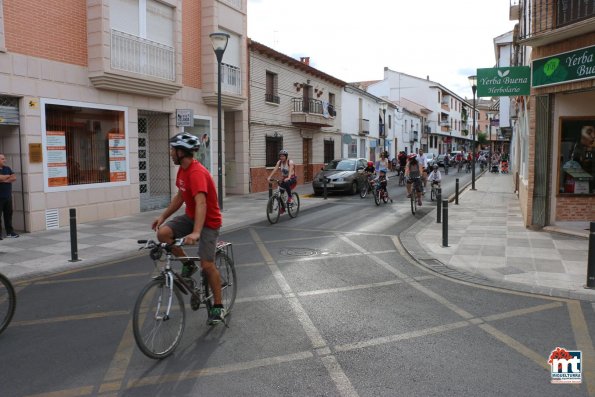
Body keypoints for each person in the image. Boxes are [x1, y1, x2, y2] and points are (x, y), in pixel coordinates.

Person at [151, 133, 225, 325]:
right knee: (163, 234)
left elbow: (202, 204)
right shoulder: (182, 171)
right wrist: (162, 217)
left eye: (172, 149)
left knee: (207, 265)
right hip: (192, 217)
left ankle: (218, 305)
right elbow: (180, 197)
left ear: (181, 152)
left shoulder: (196, 173)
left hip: (209, 222)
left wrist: (197, 232)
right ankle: (187, 264)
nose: (170, 153)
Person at [0, 154, 18, 239]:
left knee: (8, 215)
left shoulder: (7, 168)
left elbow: (14, 178)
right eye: (3, 159)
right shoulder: (7, 171)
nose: (5, 160)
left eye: (4, 159)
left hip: (7, 196)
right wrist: (7, 176)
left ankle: (10, 233)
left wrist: (3, 180)